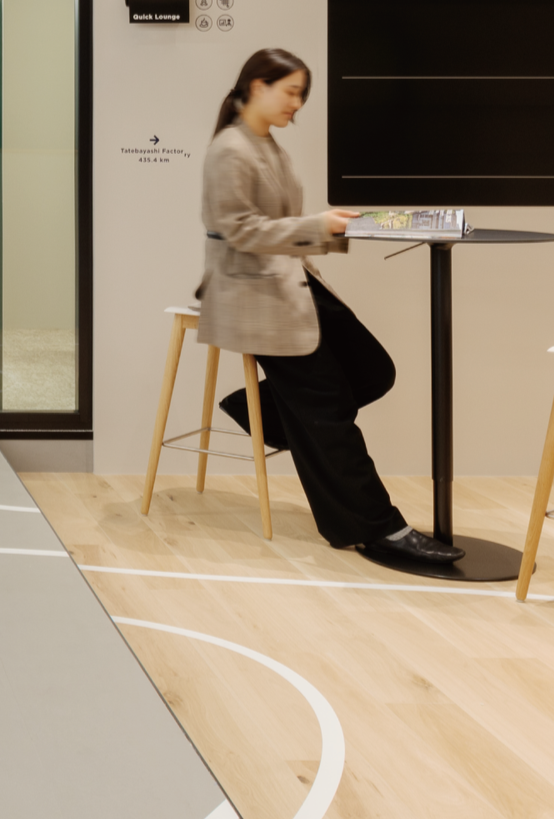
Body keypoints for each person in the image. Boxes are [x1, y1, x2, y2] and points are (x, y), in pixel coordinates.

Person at [196, 47, 463, 564]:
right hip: (254, 293)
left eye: (301, 94)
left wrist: (336, 225)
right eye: (291, 92)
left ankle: (272, 415)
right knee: (327, 414)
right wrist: (323, 225)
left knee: (372, 371)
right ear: (257, 86)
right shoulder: (231, 149)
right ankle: (376, 527)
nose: (298, 104)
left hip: (293, 280)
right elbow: (241, 231)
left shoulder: (266, 145)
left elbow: (280, 226)